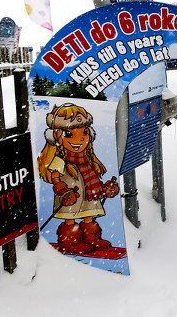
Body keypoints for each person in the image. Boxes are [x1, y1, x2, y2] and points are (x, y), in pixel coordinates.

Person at [37, 103, 120, 254]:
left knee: (89, 216)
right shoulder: (61, 159)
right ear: (55, 137)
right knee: (71, 218)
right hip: (71, 196)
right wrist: (62, 190)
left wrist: (105, 188)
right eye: (69, 134)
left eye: (84, 133)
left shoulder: (87, 159)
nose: (80, 140)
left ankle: (92, 238)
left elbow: (93, 177)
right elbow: (55, 176)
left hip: (89, 195)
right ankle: (70, 242)